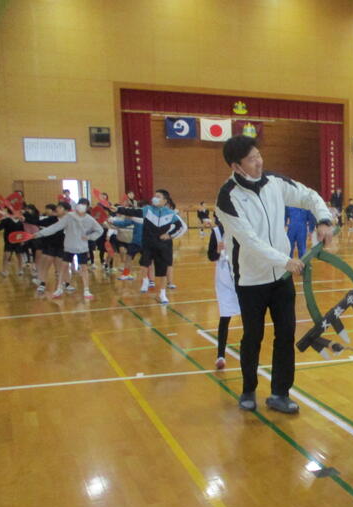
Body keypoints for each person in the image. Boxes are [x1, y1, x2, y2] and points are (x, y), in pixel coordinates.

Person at [215, 135, 333, 414]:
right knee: (252, 336)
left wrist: (324, 219)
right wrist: (285, 260)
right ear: (236, 166)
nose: (259, 162)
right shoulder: (227, 197)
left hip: (281, 279)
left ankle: (280, 393)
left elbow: (308, 195)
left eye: (258, 155)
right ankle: (248, 389)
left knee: (286, 334)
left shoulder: (274, 183)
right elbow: (249, 241)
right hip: (250, 280)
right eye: (251, 159)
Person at [116, 189, 187, 304]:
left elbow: (179, 226)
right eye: (155, 196)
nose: (155, 198)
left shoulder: (170, 213)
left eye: (158, 197)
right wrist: (118, 209)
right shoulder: (147, 209)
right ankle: (145, 280)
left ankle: (162, 294)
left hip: (162, 246)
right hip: (148, 244)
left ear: (165, 201)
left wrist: (169, 235)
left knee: (162, 271)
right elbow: (133, 211)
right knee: (145, 263)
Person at [33, 198, 104, 300]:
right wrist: (39, 234)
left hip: (82, 248)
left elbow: (100, 230)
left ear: (87, 207)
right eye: (80, 204)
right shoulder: (69, 217)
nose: (81, 206)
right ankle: (59, 288)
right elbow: (55, 227)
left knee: (84, 268)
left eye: (84, 205)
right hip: (69, 247)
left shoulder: (89, 219)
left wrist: (89, 237)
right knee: (63, 267)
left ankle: (86, 290)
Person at [208, 217, 239, 370]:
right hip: (224, 280)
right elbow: (211, 256)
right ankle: (221, 355)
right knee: (225, 317)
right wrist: (217, 251)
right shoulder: (216, 232)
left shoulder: (241, 228)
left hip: (242, 277)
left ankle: (250, 350)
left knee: (250, 316)